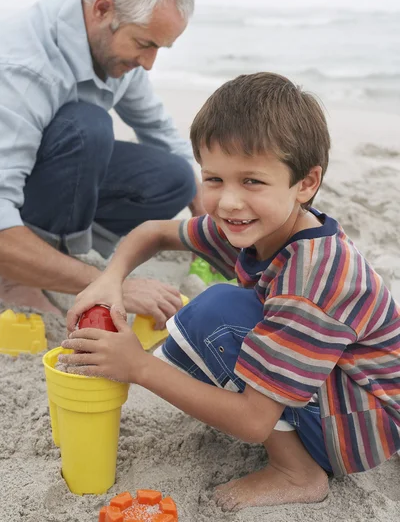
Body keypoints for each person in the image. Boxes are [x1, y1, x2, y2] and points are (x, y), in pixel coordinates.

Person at [61, 72, 400, 511]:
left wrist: (137, 367)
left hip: (361, 427)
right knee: (219, 314)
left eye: (252, 181)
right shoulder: (263, 224)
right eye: (214, 179)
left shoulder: (312, 280)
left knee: (214, 311)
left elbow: (252, 423)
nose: (228, 202)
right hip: (341, 396)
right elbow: (155, 232)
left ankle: (297, 472)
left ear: (306, 183)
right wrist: (110, 280)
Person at [0, 0, 204, 321]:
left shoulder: (112, 46)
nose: (148, 63)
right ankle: (14, 277)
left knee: (178, 178)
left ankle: (58, 258)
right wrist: (110, 283)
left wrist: (207, 209)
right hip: (8, 199)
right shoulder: (23, 70)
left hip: (42, 172)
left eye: (160, 48)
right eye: (144, 44)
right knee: (87, 127)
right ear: (102, 9)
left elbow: (159, 130)